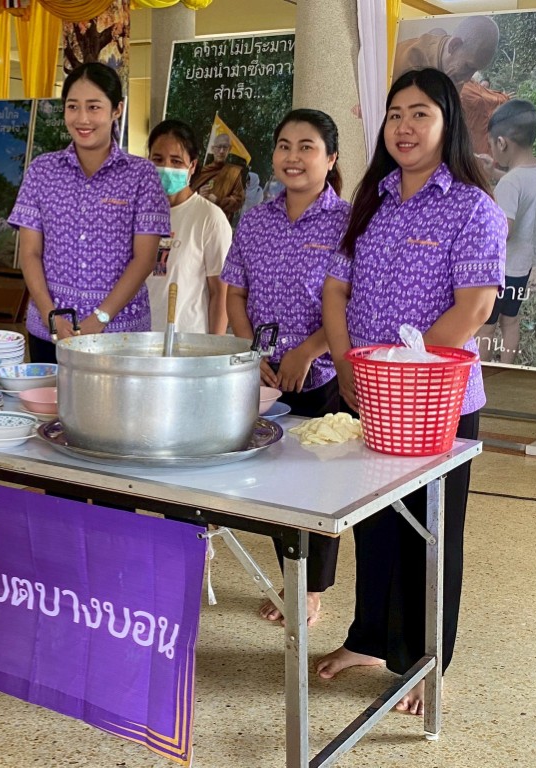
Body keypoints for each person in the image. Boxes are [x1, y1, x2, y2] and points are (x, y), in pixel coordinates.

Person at [317, 68, 506, 714]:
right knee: (373, 526)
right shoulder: (370, 201)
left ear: (447, 124)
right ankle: (368, 639)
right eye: (395, 113)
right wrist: (347, 365)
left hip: (435, 403)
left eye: (420, 113)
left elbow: (473, 307)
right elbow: (336, 288)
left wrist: (400, 372)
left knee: (431, 535)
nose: (404, 126)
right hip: (368, 394)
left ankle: (427, 662)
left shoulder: (472, 208)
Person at [220, 108, 351, 627]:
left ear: (331, 158)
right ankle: (289, 575)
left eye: (307, 147)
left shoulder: (347, 222)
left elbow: (353, 301)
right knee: (276, 482)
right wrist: (253, 353)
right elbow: (235, 293)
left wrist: (310, 351)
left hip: (319, 378)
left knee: (317, 486)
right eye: (284, 146)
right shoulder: (256, 220)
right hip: (265, 378)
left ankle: (311, 589)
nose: (292, 157)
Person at [7, 62, 170, 363]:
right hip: (50, 332)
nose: (82, 118)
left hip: (121, 334)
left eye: (94, 107)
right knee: (51, 395)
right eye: (73, 107)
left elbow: (145, 259)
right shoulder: (42, 171)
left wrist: (100, 318)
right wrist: (51, 315)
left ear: (117, 110)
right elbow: (30, 253)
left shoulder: (141, 175)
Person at [477, 100, 536, 365]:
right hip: (522, 266)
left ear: (502, 143)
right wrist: (494, 172)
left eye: (491, 145)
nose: (492, 150)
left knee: (486, 326)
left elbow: (504, 230)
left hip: (501, 270)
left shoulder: (509, 183)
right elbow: (523, 189)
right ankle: (507, 368)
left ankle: (482, 373)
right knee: (511, 321)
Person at [146, 119, 232, 335]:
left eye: (176, 161)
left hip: (187, 345)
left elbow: (221, 294)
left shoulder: (209, 218)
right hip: (137, 340)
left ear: (192, 166)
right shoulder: (138, 214)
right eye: (158, 159)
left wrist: (214, 349)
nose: (166, 168)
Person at [393, 17, 510, 154]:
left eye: (475, 71)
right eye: (468, 66)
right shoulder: (407, 65)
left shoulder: (454, 75)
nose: (468, 78)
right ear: (454, 45)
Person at [191, 132, 246, 218]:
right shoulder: (202, 171)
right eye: (218, 147)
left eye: (225, 147)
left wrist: (218, 201)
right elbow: (187, 194)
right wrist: (199, 193)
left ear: (229, 149)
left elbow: (238, 202)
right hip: (198, 217)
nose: (221, 151)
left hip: (218, 220)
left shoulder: (233, 173)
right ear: (213, 149)